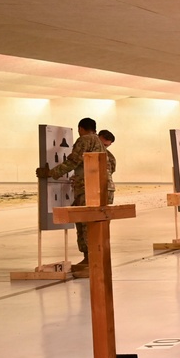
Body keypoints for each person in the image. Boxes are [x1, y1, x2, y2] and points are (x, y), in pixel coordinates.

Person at [34, 117, 109, 274]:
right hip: (101, 187)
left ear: (81, 128)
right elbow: (111, 163)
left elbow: (72, 161)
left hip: (89, 189)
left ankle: (90, 261)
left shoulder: (84, 140)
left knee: (84, 223)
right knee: (96, 224)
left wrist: (51, 173)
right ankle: (93, 259)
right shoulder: (99, 142)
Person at [97, 130, 116, 203]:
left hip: (106, 189)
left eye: (105, 145)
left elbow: (111, 172)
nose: (102, 147)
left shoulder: (110, 157)